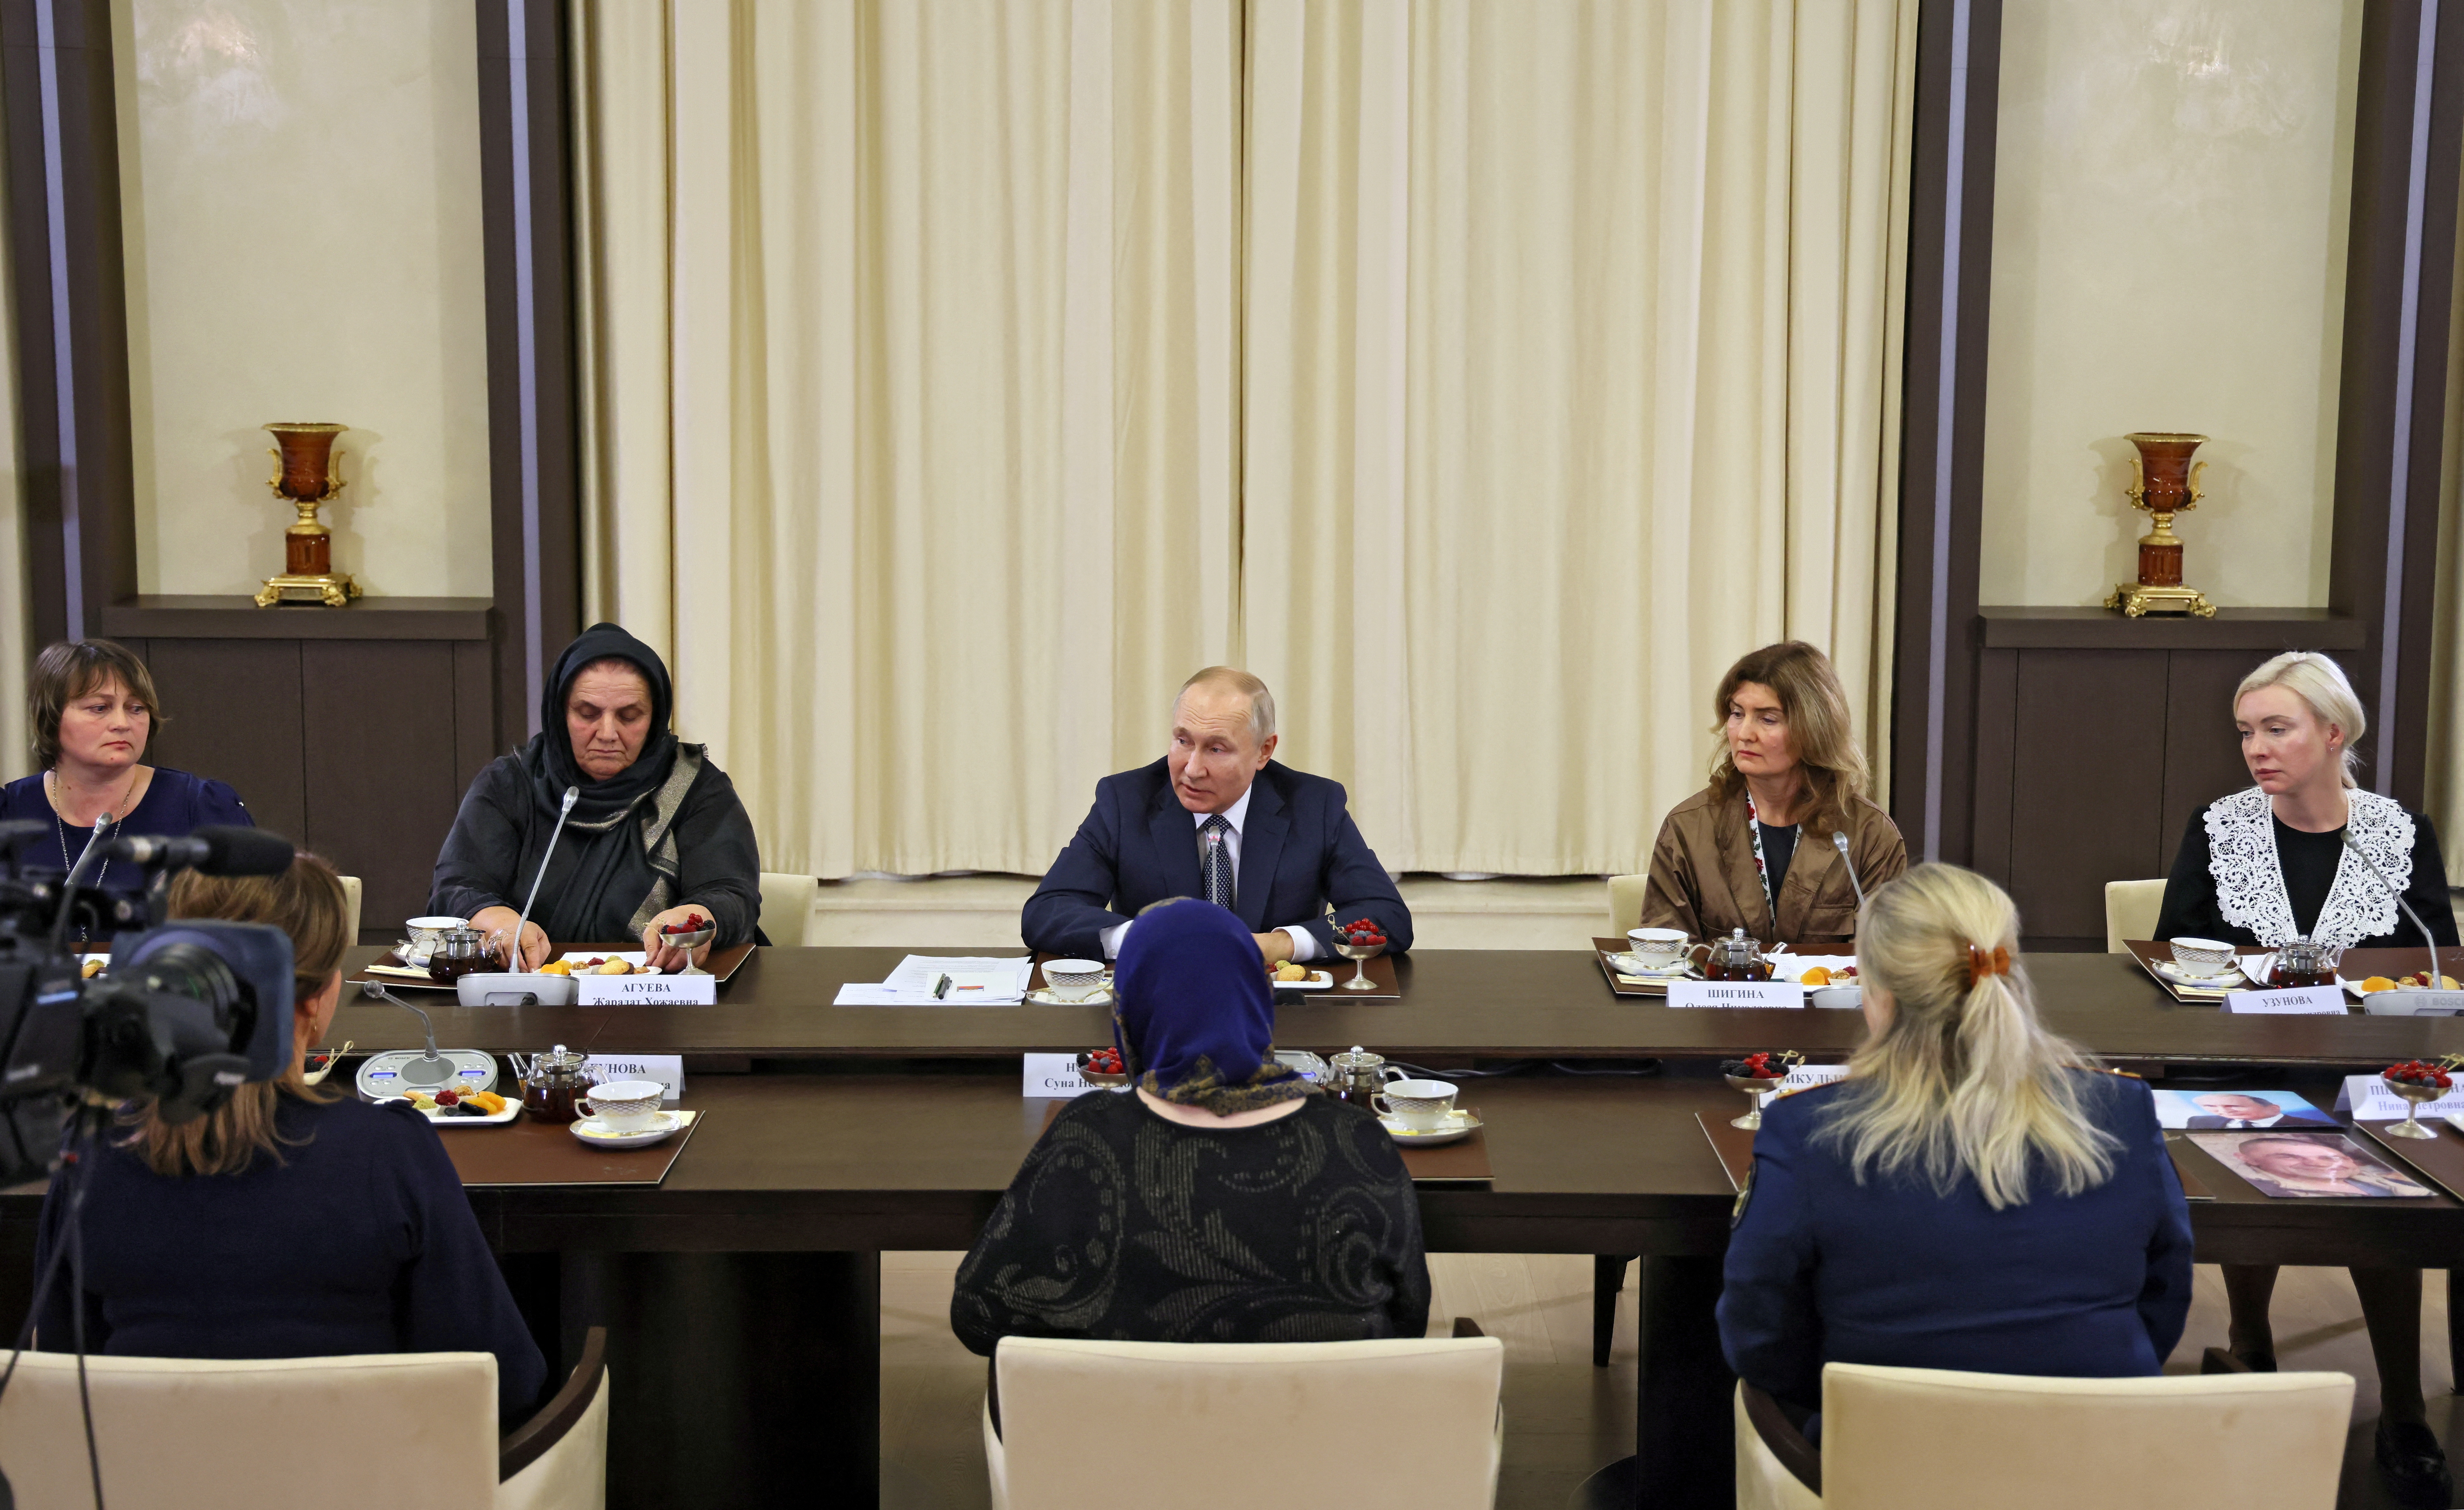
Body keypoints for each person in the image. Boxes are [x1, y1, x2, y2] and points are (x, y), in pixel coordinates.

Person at [34, 853, 546, 1419]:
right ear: (319, 998)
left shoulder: (90, 1160)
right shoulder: (387, 1154)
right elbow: (505, 1386)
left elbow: (59, 1388)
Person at [1718, 863, 2193, 1441]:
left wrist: (1831, 1396)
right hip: (2102, 1460)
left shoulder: (1807, 1131)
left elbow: (1759, 1334)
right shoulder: (2120, 1109)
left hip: (1884, 1466)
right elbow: (2164, 1296)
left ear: (1878, 996)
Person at [2155, 649, 2454, 1508]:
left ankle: (2403, 1407)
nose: (2257, 747)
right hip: (2244, 1057)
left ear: (2333, 733)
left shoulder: (2399, 834)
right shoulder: (2221, 828)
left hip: (2364, 1063)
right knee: (2258, 1119)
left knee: (2379, 1163)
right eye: (2247, 731)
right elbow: (2178, 953)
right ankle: (2250, 1340)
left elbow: (2432, 966)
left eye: (2277, 728)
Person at [952, 897, 1428, 1362]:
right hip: (1321, 1434)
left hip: (1121, 1436)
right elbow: (1408, 1317)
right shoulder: (1354, 1139)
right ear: (1258, 998)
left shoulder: (1089, 1135)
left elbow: (980, 1316)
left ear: (1129, 1010)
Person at [430, 624, 762, 971]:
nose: (607, 733)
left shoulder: (696, 787)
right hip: (529, 993)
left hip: (664, 998)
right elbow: (455, 887)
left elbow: (732, 893)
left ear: (656, 716)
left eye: (629, 716)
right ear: (561, 713)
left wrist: (691, 923)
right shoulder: (510, 783)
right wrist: (498, 924)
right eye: (587, 714)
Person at [1022, 668, 1411, 963]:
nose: (1192, 768)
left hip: (1278, 1014)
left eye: (1217, 749)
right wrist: (1146, 936)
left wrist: (1281, 943)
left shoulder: (1314, 804)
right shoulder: (1126, 800)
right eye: (1183, 741)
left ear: (1263, 751)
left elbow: (1387, 916)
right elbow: (1047, 912)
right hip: (1158, 1010)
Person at [1642, 641, 1905, 952]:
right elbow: (1664, 961)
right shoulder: (1688, 827)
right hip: (1720, 1001)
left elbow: (1890, 962)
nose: (1744, 733)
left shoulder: (1869, 834)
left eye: (1767, 719)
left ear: (1814, 729)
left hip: (1827, 1002)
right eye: (1737, 714)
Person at [0, 640, 252, 936]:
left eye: (136, 708)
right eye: (99, 708)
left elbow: (255, 924)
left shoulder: (203, 808)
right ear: (51, 717)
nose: (122, 723)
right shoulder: (10, 813)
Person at [2229, 1136, 2431, 1199]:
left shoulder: (2390, 1182)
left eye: (2329, 1158)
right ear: (2250, 1160)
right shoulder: (2255, 1191)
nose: (2316, 1164)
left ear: (2350, 1161)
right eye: (2288, 1156)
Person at [2183, 1093, 2334, 1130]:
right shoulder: (2199, 1121)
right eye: (2211, 1107)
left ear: (2274, 1108)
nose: (2222, 1112)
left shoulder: (2316, 1126)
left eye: (2232, 1106)